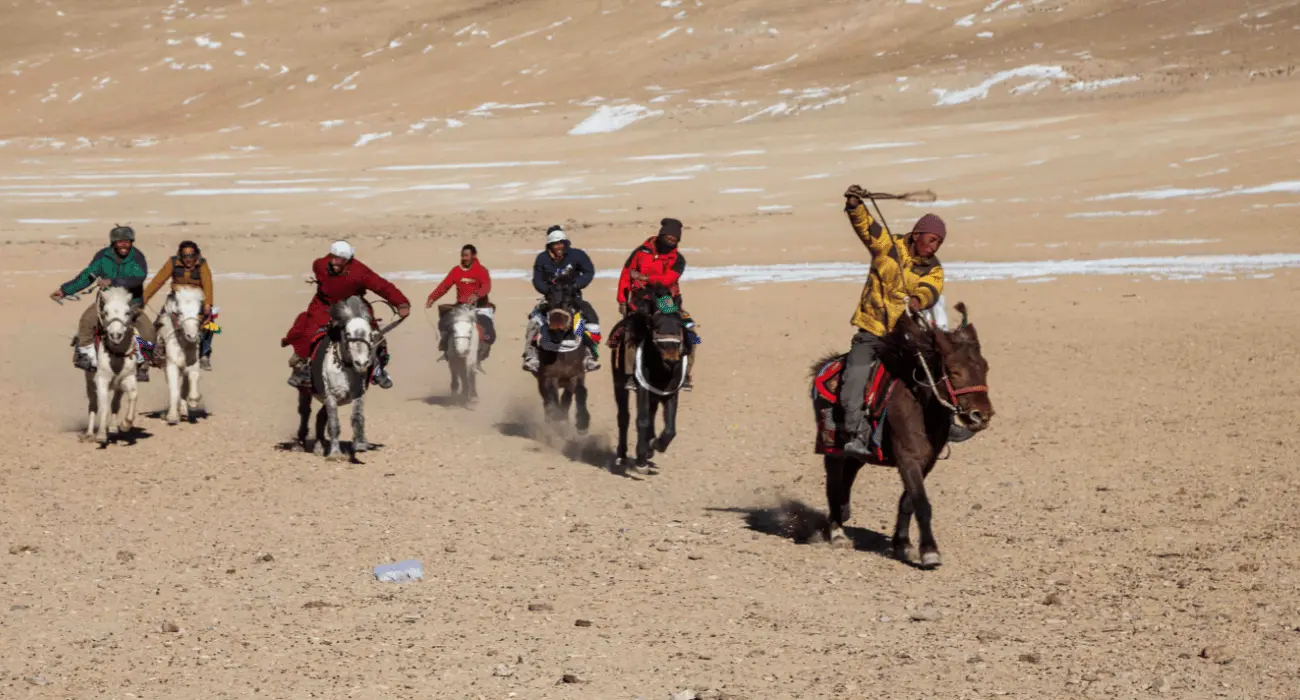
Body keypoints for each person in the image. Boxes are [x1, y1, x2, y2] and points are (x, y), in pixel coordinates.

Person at [838, 184, 971, 460]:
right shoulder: (888, 246)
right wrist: (854, 204)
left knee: (934, 371)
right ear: (917, 234)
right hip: (872, 330)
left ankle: (945, 425)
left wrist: (918, 300)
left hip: (903, 335)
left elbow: (931, 289)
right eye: (930, 239)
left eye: (938, 242)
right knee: (855, 376)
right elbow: (866, 226)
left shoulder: (932, 267)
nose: (932, 246)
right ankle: (853, 434)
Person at [280, 241, 410, 389]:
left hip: (352, 306)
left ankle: (378, 369)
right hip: (323, 306)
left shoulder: (360, 272)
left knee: (373, 336)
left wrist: (401, 303)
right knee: (308, 331)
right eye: (333, 257)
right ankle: (302, 368)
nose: (335, 262)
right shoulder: (319, 265)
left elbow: (382, 286)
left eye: (340, 260)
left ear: (348, 260)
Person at [50, 224, 159, 381]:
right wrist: (65, 290)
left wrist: (113, 281)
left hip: (131, 303)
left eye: (127, 241)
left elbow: (138, 278)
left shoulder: (137, 257)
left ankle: (144, 364)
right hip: (107, 302)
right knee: (87, 321)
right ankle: (86, 356)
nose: (124, 245)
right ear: (113, 242)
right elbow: (87, 276)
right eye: (120, 241)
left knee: (148, 330)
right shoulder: (103, 257)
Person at [616, 217, 697, 390]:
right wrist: (622, 300)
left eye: (675, 239)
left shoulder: (678, 259)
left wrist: (645, 278)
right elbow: (626, 274)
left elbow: (668, 280)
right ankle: (630, 375)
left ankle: (686, 375)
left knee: (689, 330)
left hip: (665, 298)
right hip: (641, 297)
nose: (671, 241)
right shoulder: (640, 252)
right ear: (661, 235)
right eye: (669, 237)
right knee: (631, 330)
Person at [523, 225, 601, 373]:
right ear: (549, 245)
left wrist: (577, 284)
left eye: (561, 243)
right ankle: (531, 356)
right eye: (555, 243)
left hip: (573, 298)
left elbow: (589, 271)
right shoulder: (542, 259)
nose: (559, 246)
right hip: (550, 300)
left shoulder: (577, 255)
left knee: (591, 318)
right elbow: (537, 280)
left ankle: (590, 355)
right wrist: (549, 290)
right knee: (534, 321)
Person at [143, 240, 216, 370]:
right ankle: (151, 354)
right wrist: (144, 298)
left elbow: (208, 285)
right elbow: (157, 281)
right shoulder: (173, 262)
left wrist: (208, 304)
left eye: (191, 255)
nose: (188, 259)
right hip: (176, 298)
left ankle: (204, 355)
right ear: (180, 256)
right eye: (185, 256)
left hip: (196, 299)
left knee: (210, 326)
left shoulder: (202, 265)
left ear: (196, 255)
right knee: (159, 323)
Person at [424, 244, 495, 357]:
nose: (464, 258)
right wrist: (432, 297)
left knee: (489, 330)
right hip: (461, 307)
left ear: (474, 256)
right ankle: (446, 346)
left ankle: (483, 352)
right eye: (462, 256)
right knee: (444, 322)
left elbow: (486, 286)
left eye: (467, 255)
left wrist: (477, 295)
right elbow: (444, 286)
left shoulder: (481, 270)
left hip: (479, 307)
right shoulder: (456, 271)